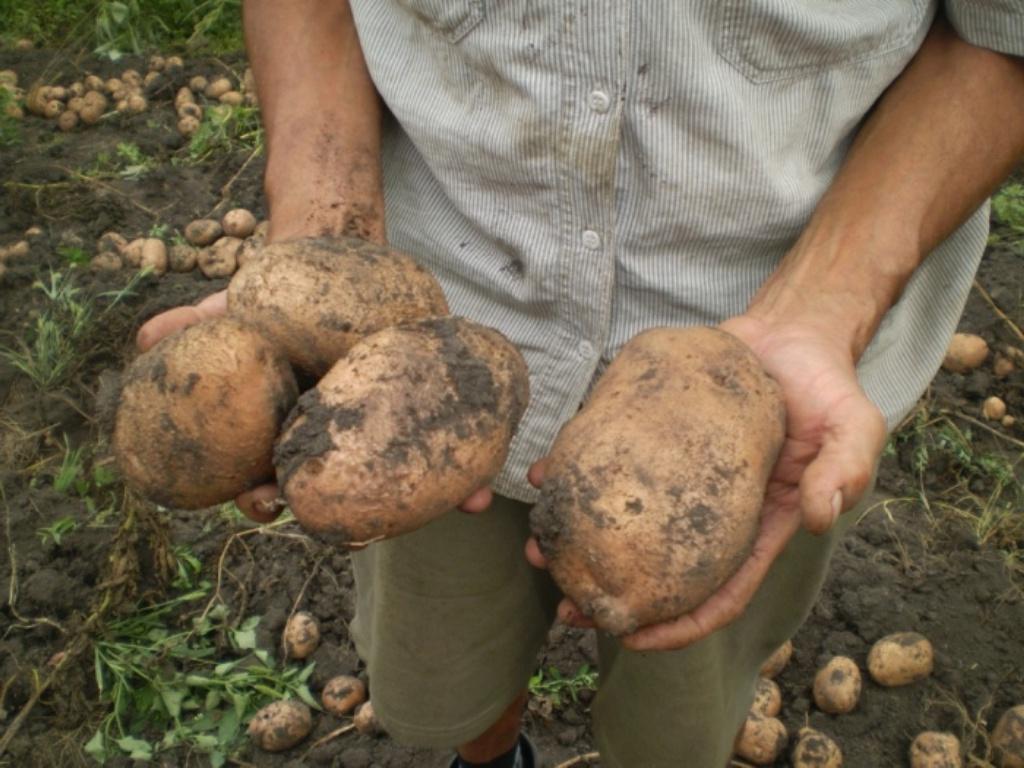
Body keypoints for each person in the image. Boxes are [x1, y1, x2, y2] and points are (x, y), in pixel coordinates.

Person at [140, 2, 1024, 766]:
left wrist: (823, 312)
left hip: (763, 372)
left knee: (678, 706)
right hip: (424, 330)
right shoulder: (389, 359)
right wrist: (328, 245)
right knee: (445, 665)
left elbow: (999, 35)